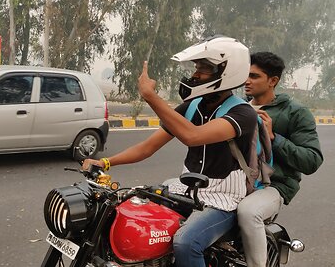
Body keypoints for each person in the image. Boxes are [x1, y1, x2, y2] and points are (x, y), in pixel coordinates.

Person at [83, 36, 257, 267]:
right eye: (196, 67)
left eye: (204, 69)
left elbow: (192, 136)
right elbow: (148, 147)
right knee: (133, 217)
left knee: (186, 242)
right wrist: (105, 162)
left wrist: (151, 97)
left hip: (222, 199)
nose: (195, 74)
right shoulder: (192, 106)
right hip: (184, 189)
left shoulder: (242, 113)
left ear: (226, 72)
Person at [238, 51, 323, 267]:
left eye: (254, 76)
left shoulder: (295, 113)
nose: (247, 81)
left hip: (274, 185)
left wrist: (274, 138)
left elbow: (311, 160)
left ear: (273, 81)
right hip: (233, 181)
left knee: (248, 213)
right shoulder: (238, 107)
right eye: (244, 75)